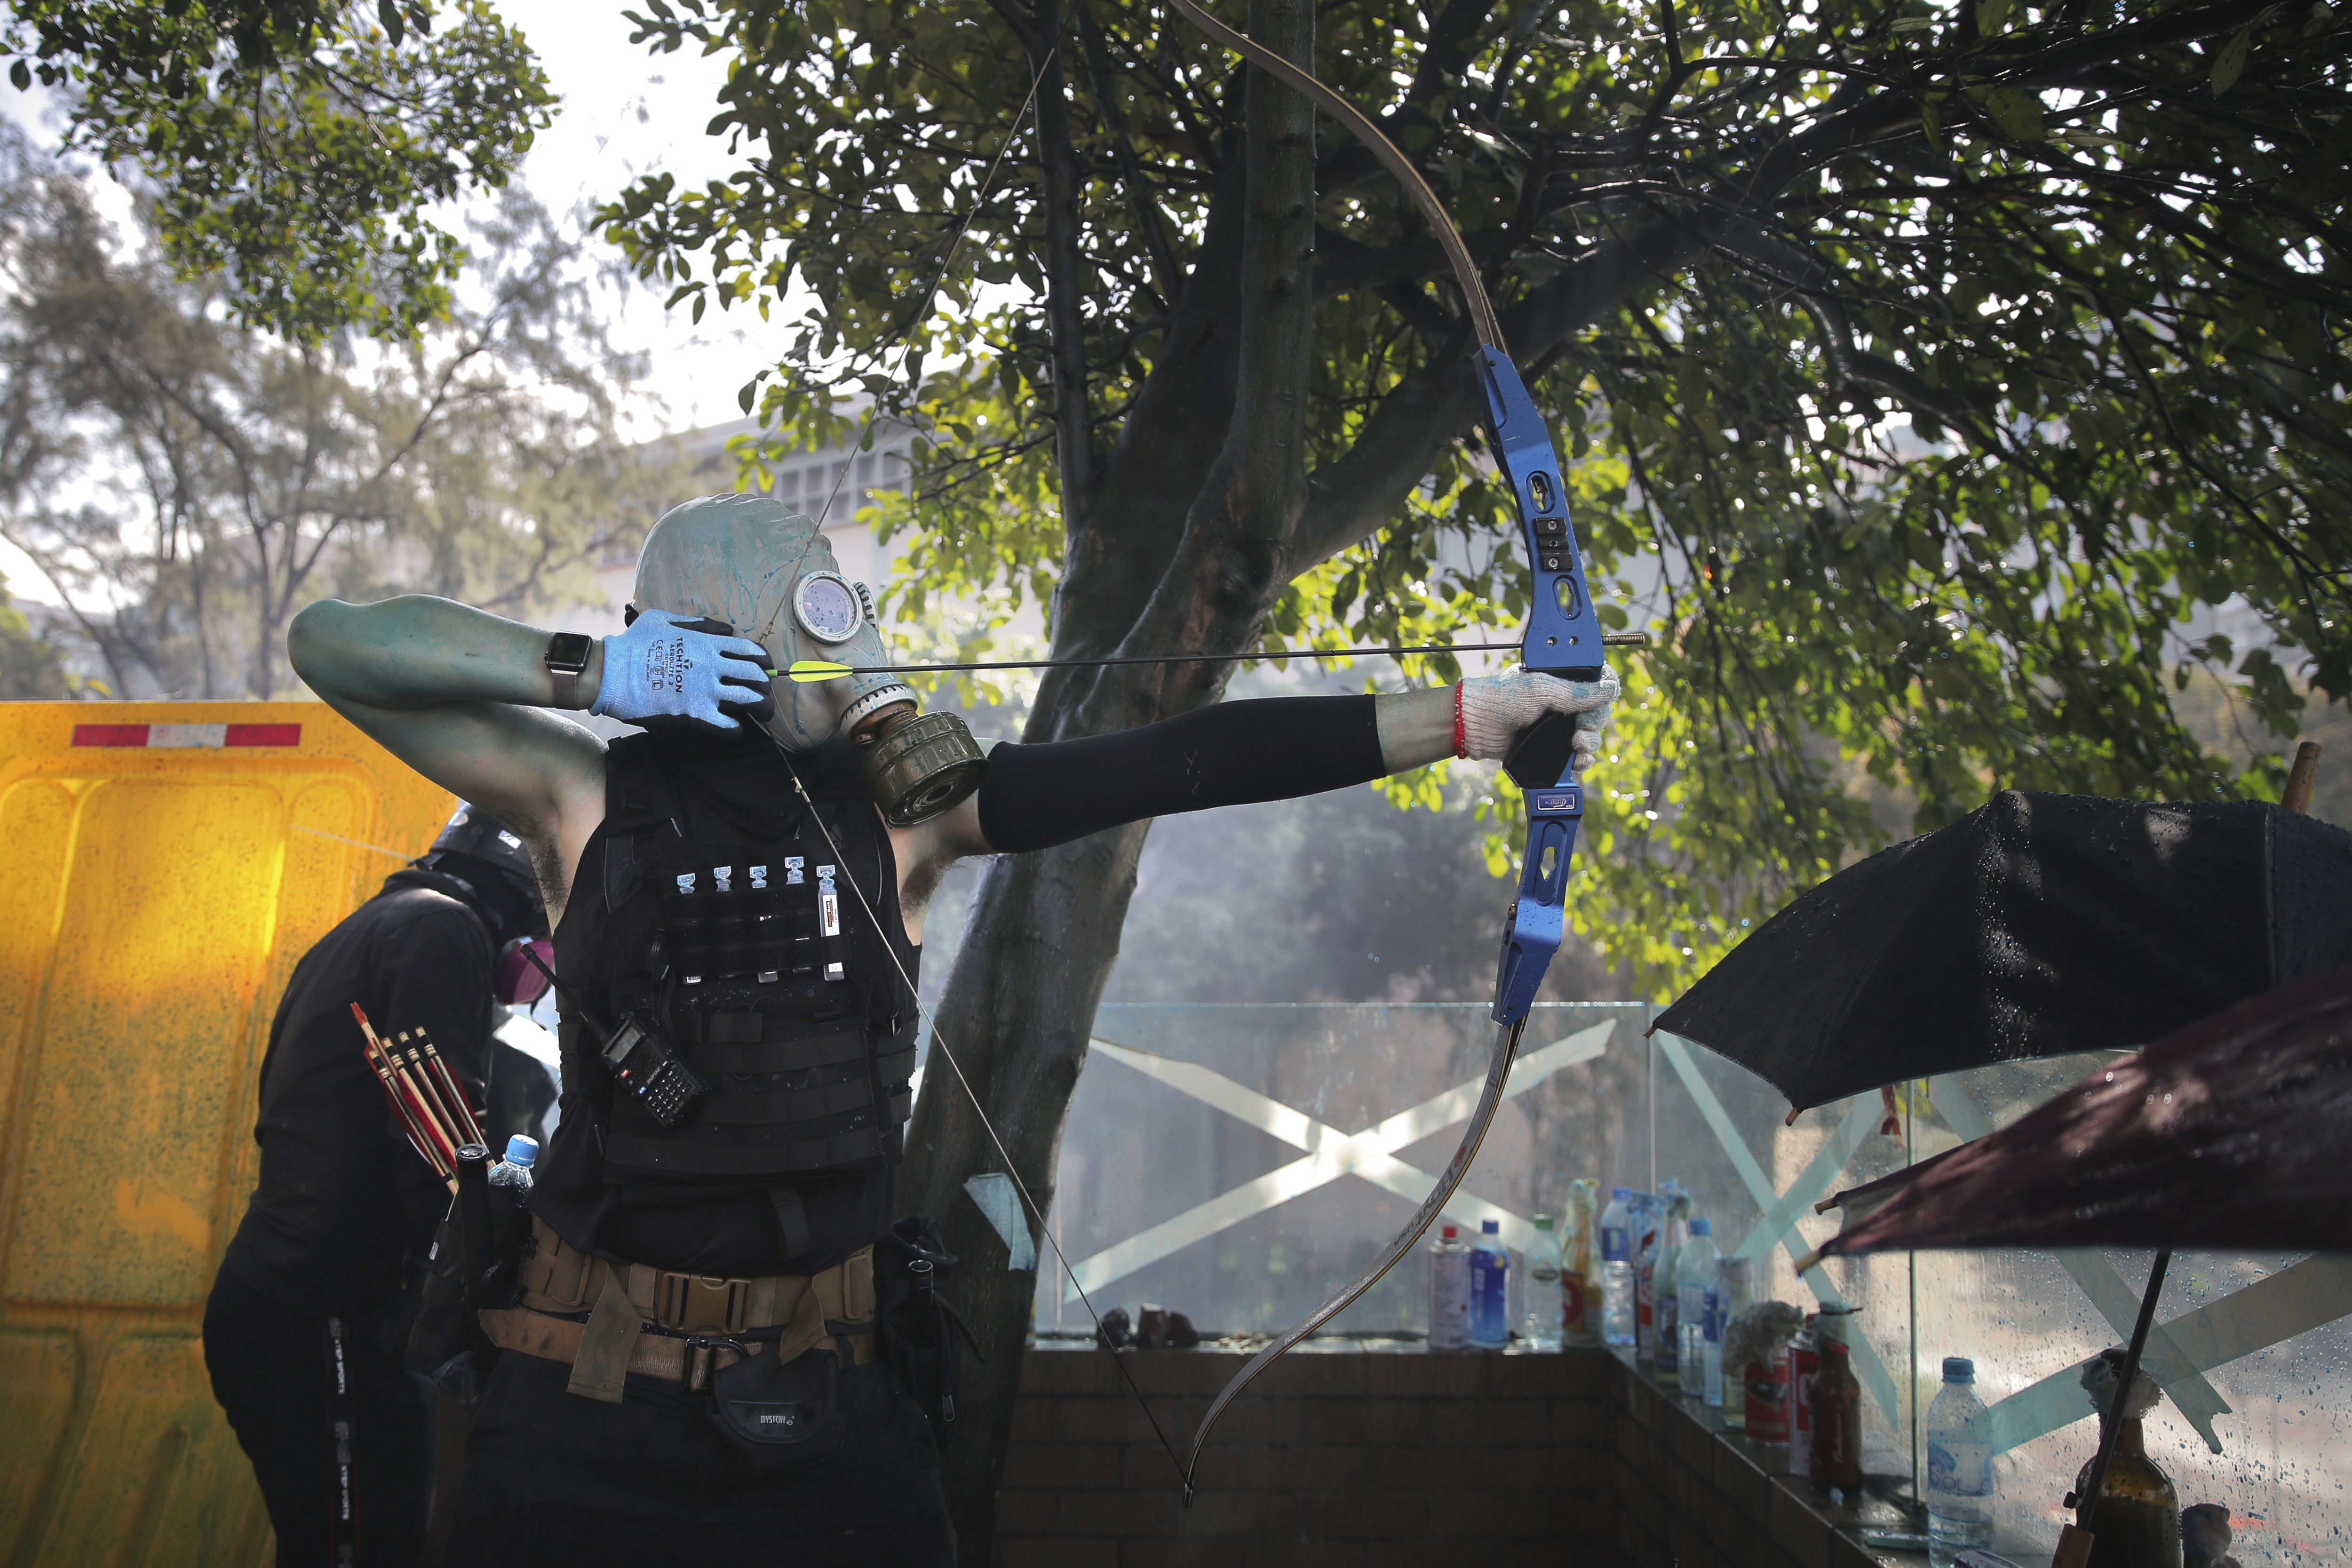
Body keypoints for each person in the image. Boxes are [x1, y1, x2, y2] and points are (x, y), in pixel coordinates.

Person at [285, 492, 1615, 1565]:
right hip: (583, 1411)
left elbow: (1176, 759)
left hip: (832, 1418)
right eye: (808, 609)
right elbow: (335, 644)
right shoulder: (579, 792)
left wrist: (1464, 718)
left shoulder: (904, 818)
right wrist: (588, 667)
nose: (840, 637)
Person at [204, 805, 554, 1567]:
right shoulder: (444, 931)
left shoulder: (377, 922)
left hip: (293, 1308)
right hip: (321, 1319)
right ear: (516, 894)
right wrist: (496, 1281)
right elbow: (441, 1145)